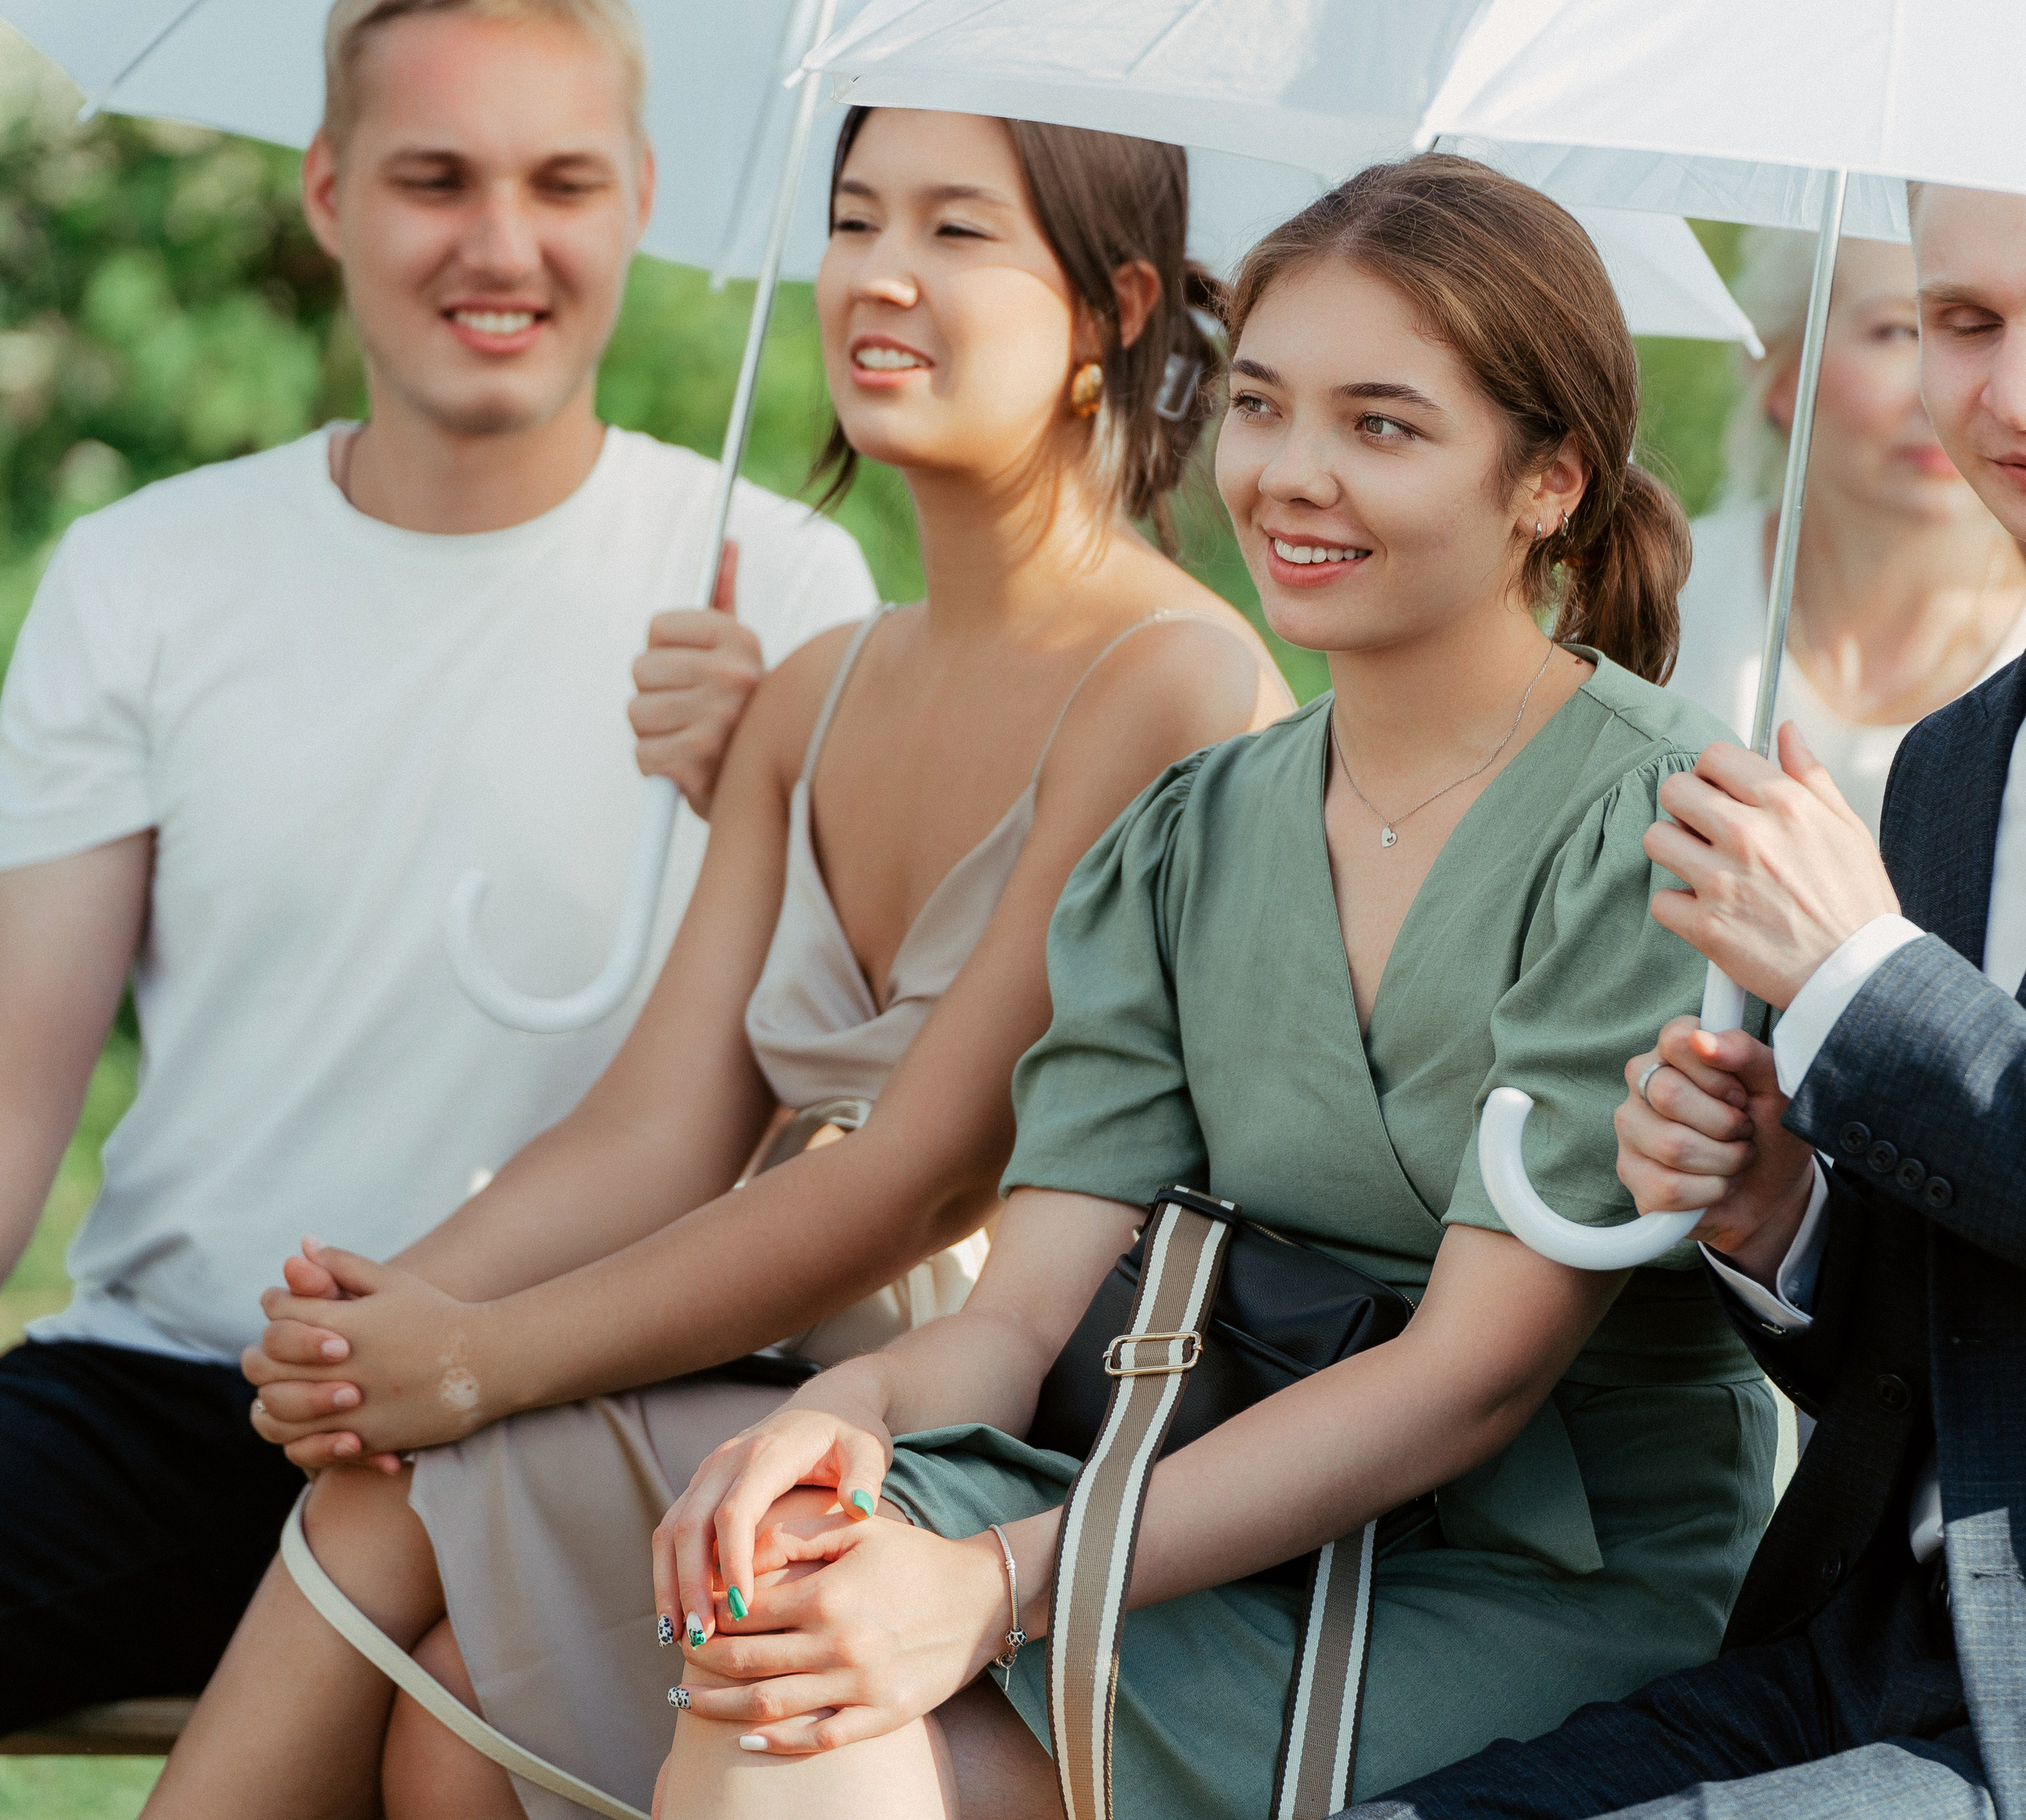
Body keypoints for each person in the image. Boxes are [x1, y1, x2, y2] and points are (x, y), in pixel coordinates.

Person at [140, 102, 1292, 1820]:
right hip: (784, 1370)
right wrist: (389, 1317)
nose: (878, 278)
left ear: (1111, 311)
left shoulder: (1173, 683)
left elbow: (918, 1177)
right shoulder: (812, 687)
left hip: (1026, 1418)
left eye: (955, 231)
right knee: (447, 1703)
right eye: (851, 219)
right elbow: (653, 1135)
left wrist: (481, 1361)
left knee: (408, 1506)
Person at [649, 157, 1780, 1820]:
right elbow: (1023, 1315)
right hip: (1180, 1476)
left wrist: (991, 1583)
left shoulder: (1657, 828)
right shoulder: (1187, 835)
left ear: (1544, 479)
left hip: (1528, 1567)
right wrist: (842, 1415)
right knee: (792, 1633)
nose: (1289, 476)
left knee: (820, 1712)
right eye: (1258, 406)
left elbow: (1469, 1373)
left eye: (1379, 426)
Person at [0, 0, 879, 1754]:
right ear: (329, 191)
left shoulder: (780, 589)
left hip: (582, 1410)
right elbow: (0, 1089)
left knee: (459, 1732)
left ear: (640, 204)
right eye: (435, 178)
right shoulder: (145, 574)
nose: (501, 243)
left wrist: (752, 781)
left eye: (562, 182)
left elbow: (843, 1110)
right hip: (178, 1390)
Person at [1343, 180, 2026, 1819]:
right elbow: (1945, 1353)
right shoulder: (1952, 768)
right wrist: (1779, 1212)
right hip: (1860, 1649)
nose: (2001, 395)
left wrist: (1866, 982)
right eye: (1960, 321)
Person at [1669, 228, 2026, 832]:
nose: (1938, 393)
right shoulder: (1663, 597)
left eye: (1975, 328)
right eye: (1898, 331)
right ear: (1780, 371)